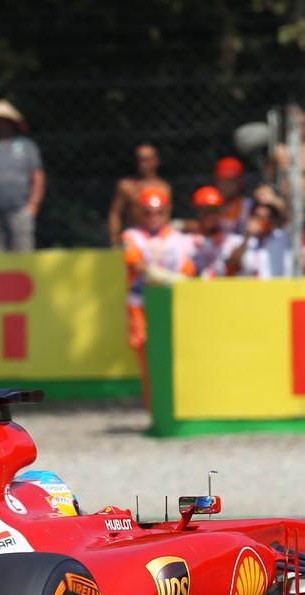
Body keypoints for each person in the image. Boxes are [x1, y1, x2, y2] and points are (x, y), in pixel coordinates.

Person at [120, 187, 196, 406]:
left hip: (172, 304)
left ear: (167, 211)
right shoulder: (131, 237)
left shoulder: (179, 239)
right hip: (141, 303)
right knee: (147, 358)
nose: (154, 218)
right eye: (148, 213)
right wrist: (164, 276)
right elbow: (136, 264)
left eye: (159, 212)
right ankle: (152, 404)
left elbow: (188, 269)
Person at [0, 99, 44, 252]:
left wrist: (33, 205)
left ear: (12, 123)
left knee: (23, 251)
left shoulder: (27, 146)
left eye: (4, 121)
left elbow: (38, 177)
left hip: (20, 210)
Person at [107, 143, 170, 248]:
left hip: (157, 240)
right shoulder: (126, 186)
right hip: (134, 239)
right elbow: (115, 214)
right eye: (140, 159)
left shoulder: (163, 188)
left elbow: (166, 216)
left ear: (156, 162)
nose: (143, 163)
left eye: (147, 159)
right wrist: (114, 239)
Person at [226, 190, 292, 279]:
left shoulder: (282, 237)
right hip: (252, 290)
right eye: (258, 217)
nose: (262, 221)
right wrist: (247, 236)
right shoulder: (242, 240)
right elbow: (232, 263)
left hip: (278, 289)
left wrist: (272, 200)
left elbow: (290, 215)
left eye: (266, 217)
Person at [188, 186, 238, 278]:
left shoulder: (232, 242)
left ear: (221, 212)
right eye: (205, 211)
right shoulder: (185, 242)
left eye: (214, 211)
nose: (210, 216)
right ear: (197, 212)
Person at [214, 157, 252, 237]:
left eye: (230, 181)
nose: (225, 186)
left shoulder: (248, 206)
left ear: (240, 183)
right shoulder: (211, 204)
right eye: (222, 181)